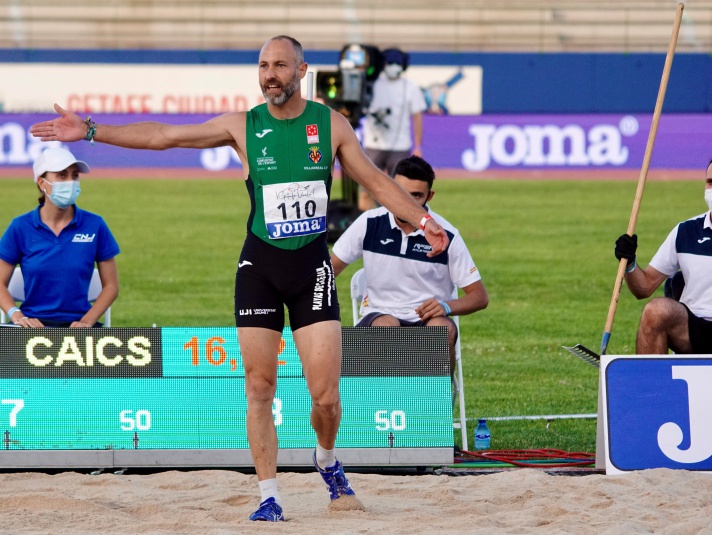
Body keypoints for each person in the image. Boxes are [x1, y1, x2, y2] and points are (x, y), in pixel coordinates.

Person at [29, 35, 449, 522]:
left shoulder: (330, 125)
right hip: (260, 268)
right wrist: (92, 130)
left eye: (280, 65)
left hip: (312, 267)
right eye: (263, 65)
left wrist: (423, 220)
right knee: (259, 386)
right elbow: (165, 136)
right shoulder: (242, 127)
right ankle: (268, 495)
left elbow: (376, 183)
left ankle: (327, 460)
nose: (270, 74)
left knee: (326, 396)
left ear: (302, 70)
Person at [330, 156, 488, 373]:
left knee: (441, 329)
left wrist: (446, 306)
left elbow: (479, 296)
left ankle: (437, 401)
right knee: (387, 327)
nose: (407, 202)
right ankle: (386, 399)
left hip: (426, 320)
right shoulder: (369, 223)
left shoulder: (447, 235)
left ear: (429, 196)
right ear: (390, 188)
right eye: (401, 193)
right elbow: (328, 272)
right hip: (380, 315)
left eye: (416, 196)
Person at [0, 147, 120, 328]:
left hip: (80, 326)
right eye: (62, 176)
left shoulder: (95, 225)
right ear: (41, 183)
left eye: (74, 176)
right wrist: (16, 315)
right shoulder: (20, 227)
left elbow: (111, 286)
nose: (71, 182)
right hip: (31, 327)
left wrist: (86, 322)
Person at [614, 159, 712, 355]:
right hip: (695, 329)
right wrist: (630, 262)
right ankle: (650, 385)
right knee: (656, 311)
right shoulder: (685, 231)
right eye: (710, 182)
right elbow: (644, 287)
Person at [359, 47, 427, 211]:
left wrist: (418, 145)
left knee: (399, 190)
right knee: (365, 187)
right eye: (390, 63)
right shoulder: (373, 84)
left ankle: (392, 220)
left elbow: (417, 117)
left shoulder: (411, 88)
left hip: (400, 145)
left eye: (397, 63)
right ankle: (366, 223)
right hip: (374, 143)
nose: (393, 66)